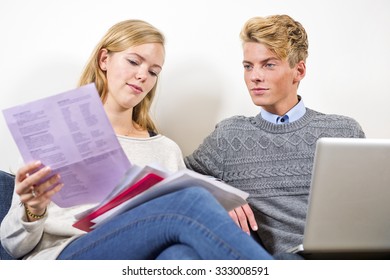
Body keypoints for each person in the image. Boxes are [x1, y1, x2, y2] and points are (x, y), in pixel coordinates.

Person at [0, 19, 273, 260]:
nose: (143, 75)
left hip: (140, 257)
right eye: (133, 61)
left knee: (179, 256)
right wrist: (33, 211)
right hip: (67, 255)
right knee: (191, 200)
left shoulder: (165, 150)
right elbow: (14, 247)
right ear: (104, 60)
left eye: (154, 71)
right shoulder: (56, 134)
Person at [184, 14, 365, 256]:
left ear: (298, 71)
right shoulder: (230, 136)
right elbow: (177, 178)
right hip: (276, 261)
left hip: (342, 257)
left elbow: (369, 206)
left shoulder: (343, 132)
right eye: (248, 66)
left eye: (268, 64)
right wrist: (218, 195)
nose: (254, 76)